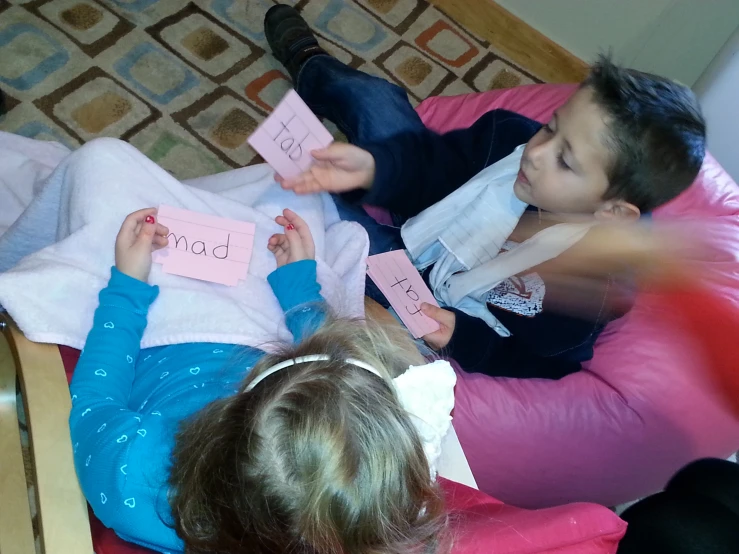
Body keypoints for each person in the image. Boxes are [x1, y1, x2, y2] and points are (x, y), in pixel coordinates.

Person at [263, 4, 707, 379]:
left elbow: (546, 363)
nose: (536, 152)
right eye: (551, 127)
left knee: (318, 217)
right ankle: (311, 63)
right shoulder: (510, 138)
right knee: (374, 103)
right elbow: (432, 166)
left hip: (440, 306)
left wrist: (462, 338)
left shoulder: (591, 286)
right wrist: (376, 170)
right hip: (429, 217)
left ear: (613, 213)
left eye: (566, 160)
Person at [69, 207, 451, 554]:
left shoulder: (131, 474)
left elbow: (94, 397)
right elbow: (333, 411)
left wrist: (126, 288)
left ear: (223, 424)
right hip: (253, 313)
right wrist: (301, 290)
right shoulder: (381, 519)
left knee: (101, 163)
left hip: (164, 342)